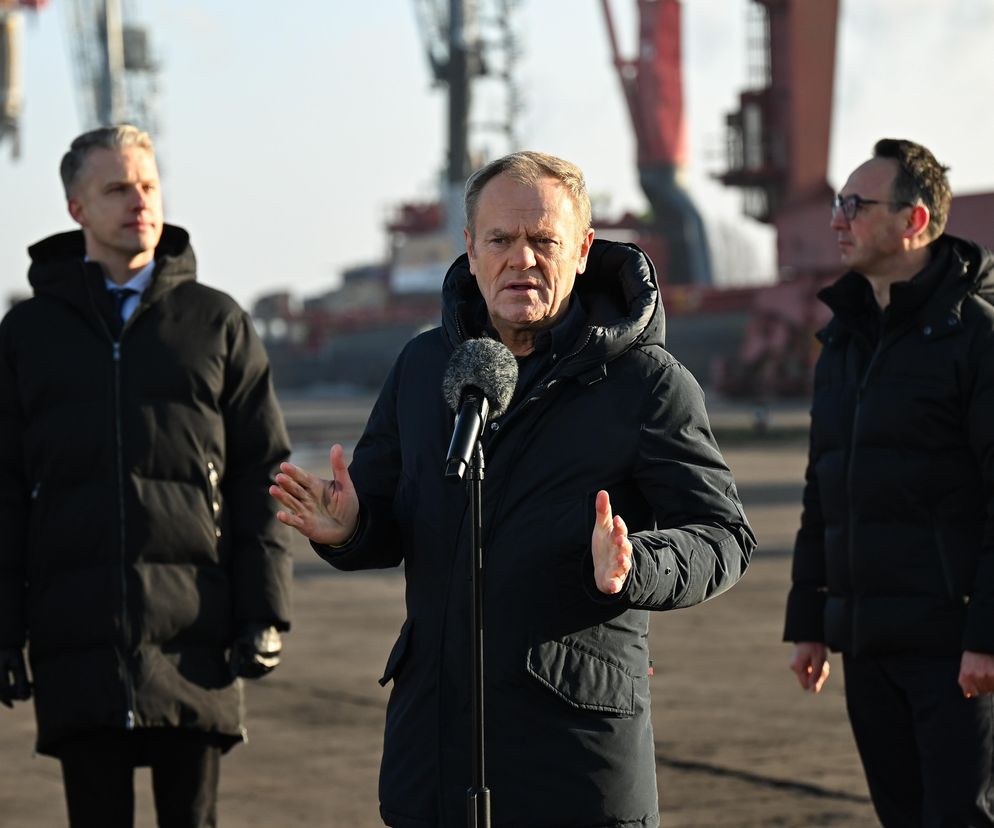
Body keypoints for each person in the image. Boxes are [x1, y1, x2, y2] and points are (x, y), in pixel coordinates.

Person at [271, 150, 756, 827]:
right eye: (500, 239)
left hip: (574, 764)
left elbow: (724, 535)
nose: (520, 259)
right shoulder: (423, 368)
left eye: (544, 241)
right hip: (435, 755)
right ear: (470, 250)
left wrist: (636, 565)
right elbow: (383, 519)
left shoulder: (646, 383)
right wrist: (349, 527)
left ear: (583, 250)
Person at [0, 125, 293, 828]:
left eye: (149, 185)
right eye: (118, 188)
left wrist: (264, 611)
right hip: (77, 634)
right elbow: (5, 492)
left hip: (196, 635)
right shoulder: (28, 334)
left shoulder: (217, 322)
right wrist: (4, 630)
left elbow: (261, 476)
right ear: (77, 208)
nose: (140, 201)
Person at [784, 138, 994, 827]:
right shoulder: (843, 341)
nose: (837, 219)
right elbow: (826, 489)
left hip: (956, 649)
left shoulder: (976, 339)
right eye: (838, 203)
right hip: (868, 643)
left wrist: (986, 635)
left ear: (914, 220)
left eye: (855, 204)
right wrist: (810, 622)